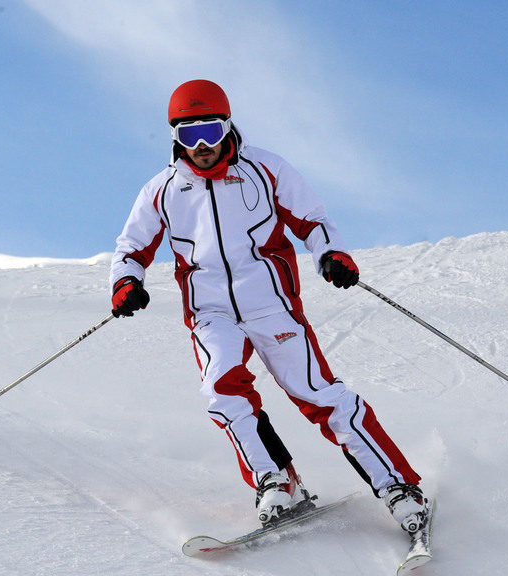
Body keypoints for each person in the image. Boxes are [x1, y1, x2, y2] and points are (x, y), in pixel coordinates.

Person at [109, 79, 428, 534]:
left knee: (322, 397)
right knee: (222, 391)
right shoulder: (161, 190)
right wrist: (126, 282)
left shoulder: (266, 169)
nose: (202, 146)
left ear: (229, 126)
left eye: (212, 132)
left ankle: (401, 489)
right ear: (174, 137)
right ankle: (277, 481)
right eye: (190, 135)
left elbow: (312, 220)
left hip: (272, 306)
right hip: (210, 313)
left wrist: (331, 255)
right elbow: (131, 247)